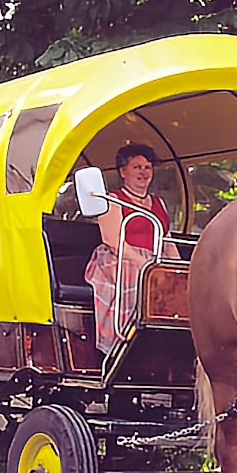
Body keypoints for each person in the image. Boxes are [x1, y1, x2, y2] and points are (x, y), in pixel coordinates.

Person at [83, 143, 178, 354]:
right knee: (140, 279)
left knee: (179, 284)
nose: (143, 172)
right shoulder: (114, 200)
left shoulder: (158, 202)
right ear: (123, 172)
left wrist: (177, 268)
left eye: (147, 167)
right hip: (122, 257)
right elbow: (113, 240)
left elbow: (166, 239)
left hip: (154, 257)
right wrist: (147, 266)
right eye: (137, 167)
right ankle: (126, 341)